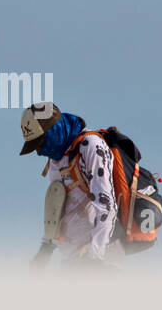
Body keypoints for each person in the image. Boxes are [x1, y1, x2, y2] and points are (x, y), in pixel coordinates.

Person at [19, 102, 121, 269]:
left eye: (39, 142)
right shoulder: (56, 158)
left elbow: (106, 205)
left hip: (100, 257)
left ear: (54, 130)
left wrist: (95, 258)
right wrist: (46, 247)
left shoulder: (91, 146)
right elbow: (57, 205)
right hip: (72, 257)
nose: (38, 151)